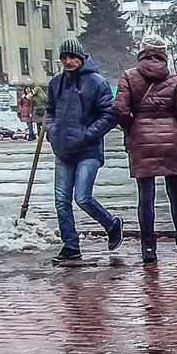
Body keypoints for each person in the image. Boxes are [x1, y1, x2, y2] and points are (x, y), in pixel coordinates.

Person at [114, 35, 177, 263]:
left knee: (146, 196)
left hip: (141, 139)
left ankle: (148, 248)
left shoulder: (128, 77)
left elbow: (119, 109)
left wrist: (133, 127)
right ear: (164, 54)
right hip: (171, 139)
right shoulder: (173, 79)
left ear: (142, 52)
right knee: (175, 192)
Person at [45, 39, 123, 265]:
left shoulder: (97, 82)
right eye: (64, 57)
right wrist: (52, 130)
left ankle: (111, 223)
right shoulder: (56, 83)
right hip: (63, 151)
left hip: (88, 151)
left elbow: (110, 114)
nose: (68, 61)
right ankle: (70, 245)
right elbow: (49, 110)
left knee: (83, 197)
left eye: (72, 57)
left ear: (81, 57)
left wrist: (87, 134)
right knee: (61, 201)